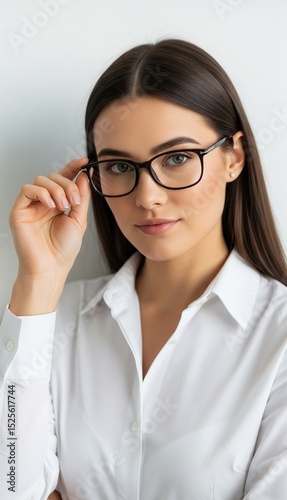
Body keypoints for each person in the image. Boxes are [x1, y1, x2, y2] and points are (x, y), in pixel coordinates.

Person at [0, 38, 286, 500]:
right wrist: (39, 283)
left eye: (176, 158)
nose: (146, 196)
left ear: (234, 157)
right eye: (117, 165)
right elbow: (12, 488)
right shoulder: (54, 320)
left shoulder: (278, 335)